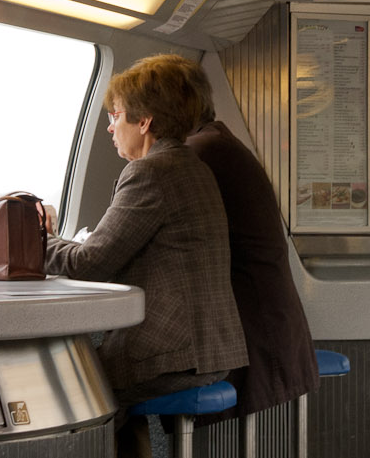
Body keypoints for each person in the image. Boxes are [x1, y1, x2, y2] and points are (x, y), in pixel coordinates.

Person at [44, 56, 247, 439]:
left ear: (144, 122)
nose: (110, 127)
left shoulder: (150, 172)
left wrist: (38, 239)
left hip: (177, 355)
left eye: (116, 116)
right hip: (213, 347)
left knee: (79, 388)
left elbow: (89, 264)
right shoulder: (192, 165)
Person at [145, 55, 317, 426]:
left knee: (117, 385)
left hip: (249, 337)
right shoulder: (217, 143)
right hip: (266, 327)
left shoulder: (192, 157)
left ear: (155, 114)